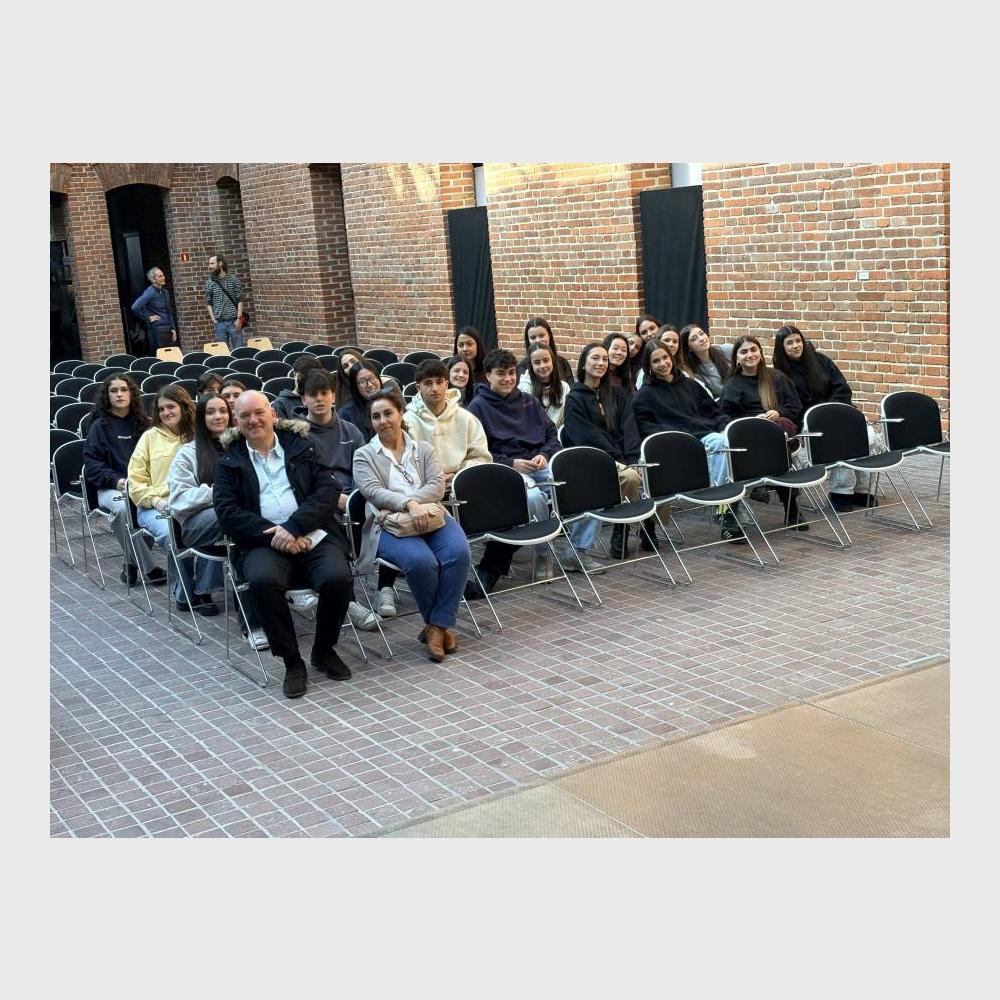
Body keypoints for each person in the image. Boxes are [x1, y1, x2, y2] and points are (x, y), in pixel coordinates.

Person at [214, 391, 355, 698]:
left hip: (311, 533)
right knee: (262, 581)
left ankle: (323, 650)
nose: (253, 420)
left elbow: (328, 490)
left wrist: (293, 528)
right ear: (237, 422)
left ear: (273, 415)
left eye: (259, 413)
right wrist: (277, 534)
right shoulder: (228, 461)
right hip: (262, 541)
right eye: (245, 416)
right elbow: (227, 513)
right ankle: (292, 661)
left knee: (338, 578)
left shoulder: (301, 445)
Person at [353, 388, 473, 662]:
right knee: (421, 562)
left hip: (431, 516)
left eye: (388, 413)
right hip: (389, 525)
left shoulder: (423, 449)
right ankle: (440, 626)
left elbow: (437, 485)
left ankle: (436, 626)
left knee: (459, 553)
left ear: (400, 413)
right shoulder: (364, 455)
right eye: (376, 416)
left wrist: (415, 504)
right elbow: (373, 492)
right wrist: (408, 504)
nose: (383, 420)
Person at [464, 348, 560, 598]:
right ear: (488, 376)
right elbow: (478, 452)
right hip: (505, 470)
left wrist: (544, 454)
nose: (507, 379)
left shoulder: (529, 401)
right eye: (500, 374)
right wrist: (511, 463)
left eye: (511, 373)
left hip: (539, 463)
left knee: (573, 483)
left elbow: (552, 435)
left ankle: (576, 550)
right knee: (534, 498)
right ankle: (543, 554)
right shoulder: (477, 408)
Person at [294, 369, 380, 632]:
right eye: (313, 394)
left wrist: (352, 497)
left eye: (324, 393)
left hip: (353, 499)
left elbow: (365, 470)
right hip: (319, 504)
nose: (319, 399)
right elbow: (300, 483)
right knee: (330, 527)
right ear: (303, 399)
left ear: (333, 396)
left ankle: (383, 586)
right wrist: (334, 499)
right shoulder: (296, 435)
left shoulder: (350, 430)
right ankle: (349, 601)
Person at [772, 323, 875, 511]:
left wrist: (831, 411)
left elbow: (842, 388)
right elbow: (790, 406)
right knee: (841, 440)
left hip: (838, 411)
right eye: (789, 343)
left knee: (870, 437)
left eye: (798, 340)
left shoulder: (820, 360)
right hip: (811, 423)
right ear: (782, 348)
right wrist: (820, 417)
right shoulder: (779, 375)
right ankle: (841, 493)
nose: (796, 346)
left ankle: (862, 491)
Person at [562, 344, 643, 564]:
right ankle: (623, 528)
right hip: (593, 459)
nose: (600, 363)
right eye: (595, 358)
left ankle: (644, 530)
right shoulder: (574, 399)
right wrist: (620, 459)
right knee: (630, 478)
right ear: (583, 364)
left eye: (604, 359)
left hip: (622, 458)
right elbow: (588, 437)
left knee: (649, 469)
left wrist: (633, 459)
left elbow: (629, 428)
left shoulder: (616, 394)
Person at [83, 373, 166, 587]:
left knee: (146, 507)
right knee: (123, 509)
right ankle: (149, 568)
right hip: (110, 488)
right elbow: (92, 465)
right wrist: (118, 481)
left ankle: (130, 564)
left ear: (131, 394)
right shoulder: (98, 426)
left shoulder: (143, 424)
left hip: (141, 485)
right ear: (107, 396)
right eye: (113, 391)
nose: (119, 394)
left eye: (123, 390)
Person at [720, 335, 806, 535]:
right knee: (775, 444)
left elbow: (795, 406)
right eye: (744, 352)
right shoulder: (733, 385)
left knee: (779, 433)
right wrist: (751, 421)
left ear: (760, 352)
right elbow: (725, 417)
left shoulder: (777, 377)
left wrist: (778, 412)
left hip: (781, 432)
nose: (749, 355)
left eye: (753, 350)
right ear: (736, 358)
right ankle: (790, 507)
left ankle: (767, 486)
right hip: (749, 437)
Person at [127, 385, 200, 608]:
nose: (166, 412)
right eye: (161, 409)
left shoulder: (198, 435)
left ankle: (205, 588)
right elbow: (135, 481)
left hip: (191, 502)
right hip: (155, 506)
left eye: (171, 407)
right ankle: (184, 591)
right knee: (172, 534)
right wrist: (156, 501)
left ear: (184, 407)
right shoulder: (149, 437)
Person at [165, 393, 233, 619]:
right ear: (201, 418)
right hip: (194, 524)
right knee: (225, 514)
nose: (218, 416)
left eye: (223, 411)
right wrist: (217, 493)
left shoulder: (240, 446)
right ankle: (204, 589)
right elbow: (179, 499)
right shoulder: (187, 453)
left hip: (229, 516)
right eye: (210, 412)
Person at [627, 341, 730, 489]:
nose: (662, 363)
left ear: (671, 358)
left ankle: (721, 494)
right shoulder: (643, 396)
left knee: (722, 441)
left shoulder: (690, 384)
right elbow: (646, 427)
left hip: (703, 435)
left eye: (665, 357)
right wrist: (678, 434)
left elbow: (714, 410)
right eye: (656, 361)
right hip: (676, 442)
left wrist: (725, 426)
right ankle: (717, 494)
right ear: (649, 366)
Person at [517, 343, 571, 427]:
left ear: (552, 361)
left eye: (546, 360)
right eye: (537, 362)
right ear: (531, 365)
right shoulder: (524, 389)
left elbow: (567, 421)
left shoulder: (564, 388)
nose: (542, 366)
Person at [678, 324, 732, 399]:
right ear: (689, 348)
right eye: (694, 339)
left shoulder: (727, 350)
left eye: (701, 333)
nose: (701, 339)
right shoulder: (694, 373)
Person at [204, 253, 245, 350]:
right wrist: (213, 319)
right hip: (219, 323)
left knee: (239, 350)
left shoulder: (233, 280)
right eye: (209, 264)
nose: (210, 266)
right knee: (222, 352)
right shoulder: (210, 283)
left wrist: (239, 319)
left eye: (212, 263)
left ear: (220, 263)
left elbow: (240, 300)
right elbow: (208, 302)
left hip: (234, 321)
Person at [131, 267, 177, 352]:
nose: (164, 278)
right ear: (153, 279)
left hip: (168, 330)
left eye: (163, 275)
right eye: (160, 276)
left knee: (171, 356)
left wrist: (173, 329)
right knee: (159, 357)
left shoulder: (165, 292)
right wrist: (148, 318)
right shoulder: (150, 292)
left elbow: (169, 312)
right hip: (156, 331)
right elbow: (135, 307)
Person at [517, 317, 574, 383]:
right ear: (528, 340)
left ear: (549, 336)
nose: (538, 340)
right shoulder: (522, 367)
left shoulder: (562, 363)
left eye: (541, 336)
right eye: (533, 338)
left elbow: (571, 388)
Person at [338, 361, 386, 440]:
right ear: (355, 387)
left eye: (372, 378)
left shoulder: (391, 402)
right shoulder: (345, 415)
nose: (370, 385)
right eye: (362, 382)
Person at [272, 355, 321, 420]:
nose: (304, 382)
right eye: (301, 377)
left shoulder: (321, 398)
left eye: (310, 378)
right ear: (294, 374)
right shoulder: (281, 403)